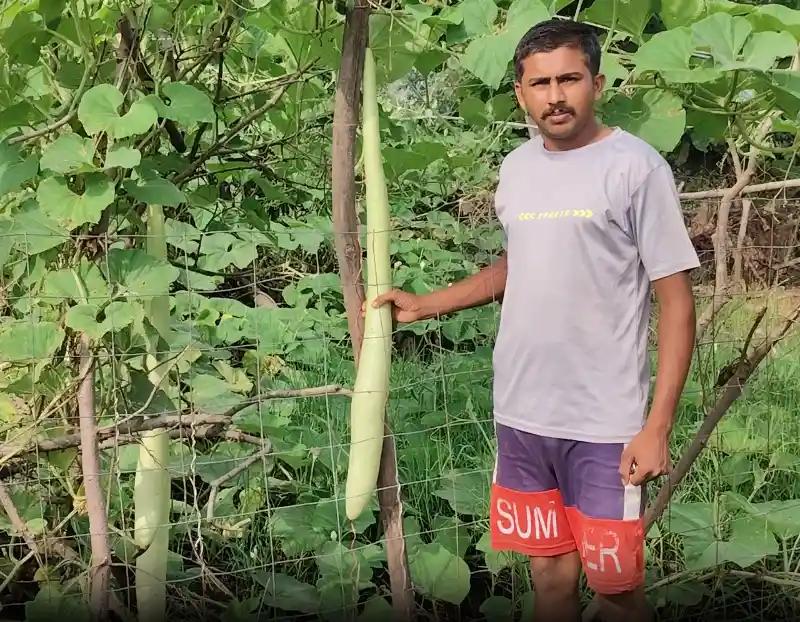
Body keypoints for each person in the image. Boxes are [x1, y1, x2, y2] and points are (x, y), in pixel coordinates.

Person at [365, 18, 699, 622]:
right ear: (520, 93)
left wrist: (658, 425)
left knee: (616, 590)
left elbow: (676, 299)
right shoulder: (517, 168)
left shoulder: (635, 167)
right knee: (548, 577)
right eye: (540, 83)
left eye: (569, 79)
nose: (555, 96)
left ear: (597, 83)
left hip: (605, 423)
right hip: (522, 413)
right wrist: (429, 303)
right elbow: (518, 263)